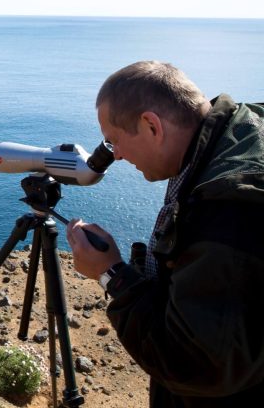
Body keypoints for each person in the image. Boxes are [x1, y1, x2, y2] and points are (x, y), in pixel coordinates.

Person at [65, 60, 264, 407]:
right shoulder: (241, 129)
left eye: (115, 141)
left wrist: (112, 274)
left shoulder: (227, 208)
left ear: (151, 125)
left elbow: (195, 363)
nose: (117, 156)